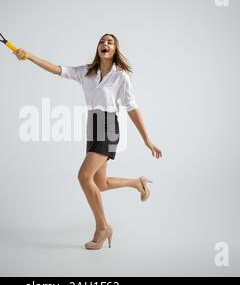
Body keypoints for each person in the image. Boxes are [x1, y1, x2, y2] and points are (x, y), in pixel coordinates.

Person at [13, 33, 162, 250]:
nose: (105, 44)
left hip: (108, 126)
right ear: (98, 48)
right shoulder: (86, 72)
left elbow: (131, 107)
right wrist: (29, 56)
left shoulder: (121, 76)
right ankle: (137, 183)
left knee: (84, 176)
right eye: (102, 41)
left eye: (110, 42)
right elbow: (57, 69)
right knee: (99, 184)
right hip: (92, 126)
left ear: (115, 49)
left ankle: (103, 228)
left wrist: (147, 139)